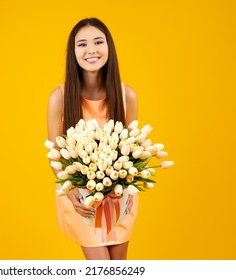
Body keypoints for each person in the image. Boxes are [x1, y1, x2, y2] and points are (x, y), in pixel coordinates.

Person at [47, 18, 139, 260]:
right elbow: (55, 158)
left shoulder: (126, 94)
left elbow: (132, 151)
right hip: (82, 200)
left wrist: (123, 191)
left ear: (109, 47)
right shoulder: (60, 97)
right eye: (82, 44)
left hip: (119, 198)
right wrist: (71, 193)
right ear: (73, 52)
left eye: (98, 42)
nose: (91, 50)